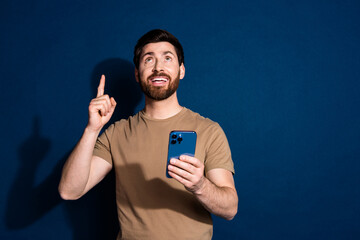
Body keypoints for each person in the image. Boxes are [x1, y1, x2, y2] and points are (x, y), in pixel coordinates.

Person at [58, 29, 238, 240]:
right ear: (137, 73)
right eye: (148, 60)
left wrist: (200, 186)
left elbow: (230, 209)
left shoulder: (209, 131)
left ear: (181, 71)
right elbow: (69, 191)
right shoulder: (116, 133)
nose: (158, 67)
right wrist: (92, 129)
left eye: (167, 58)